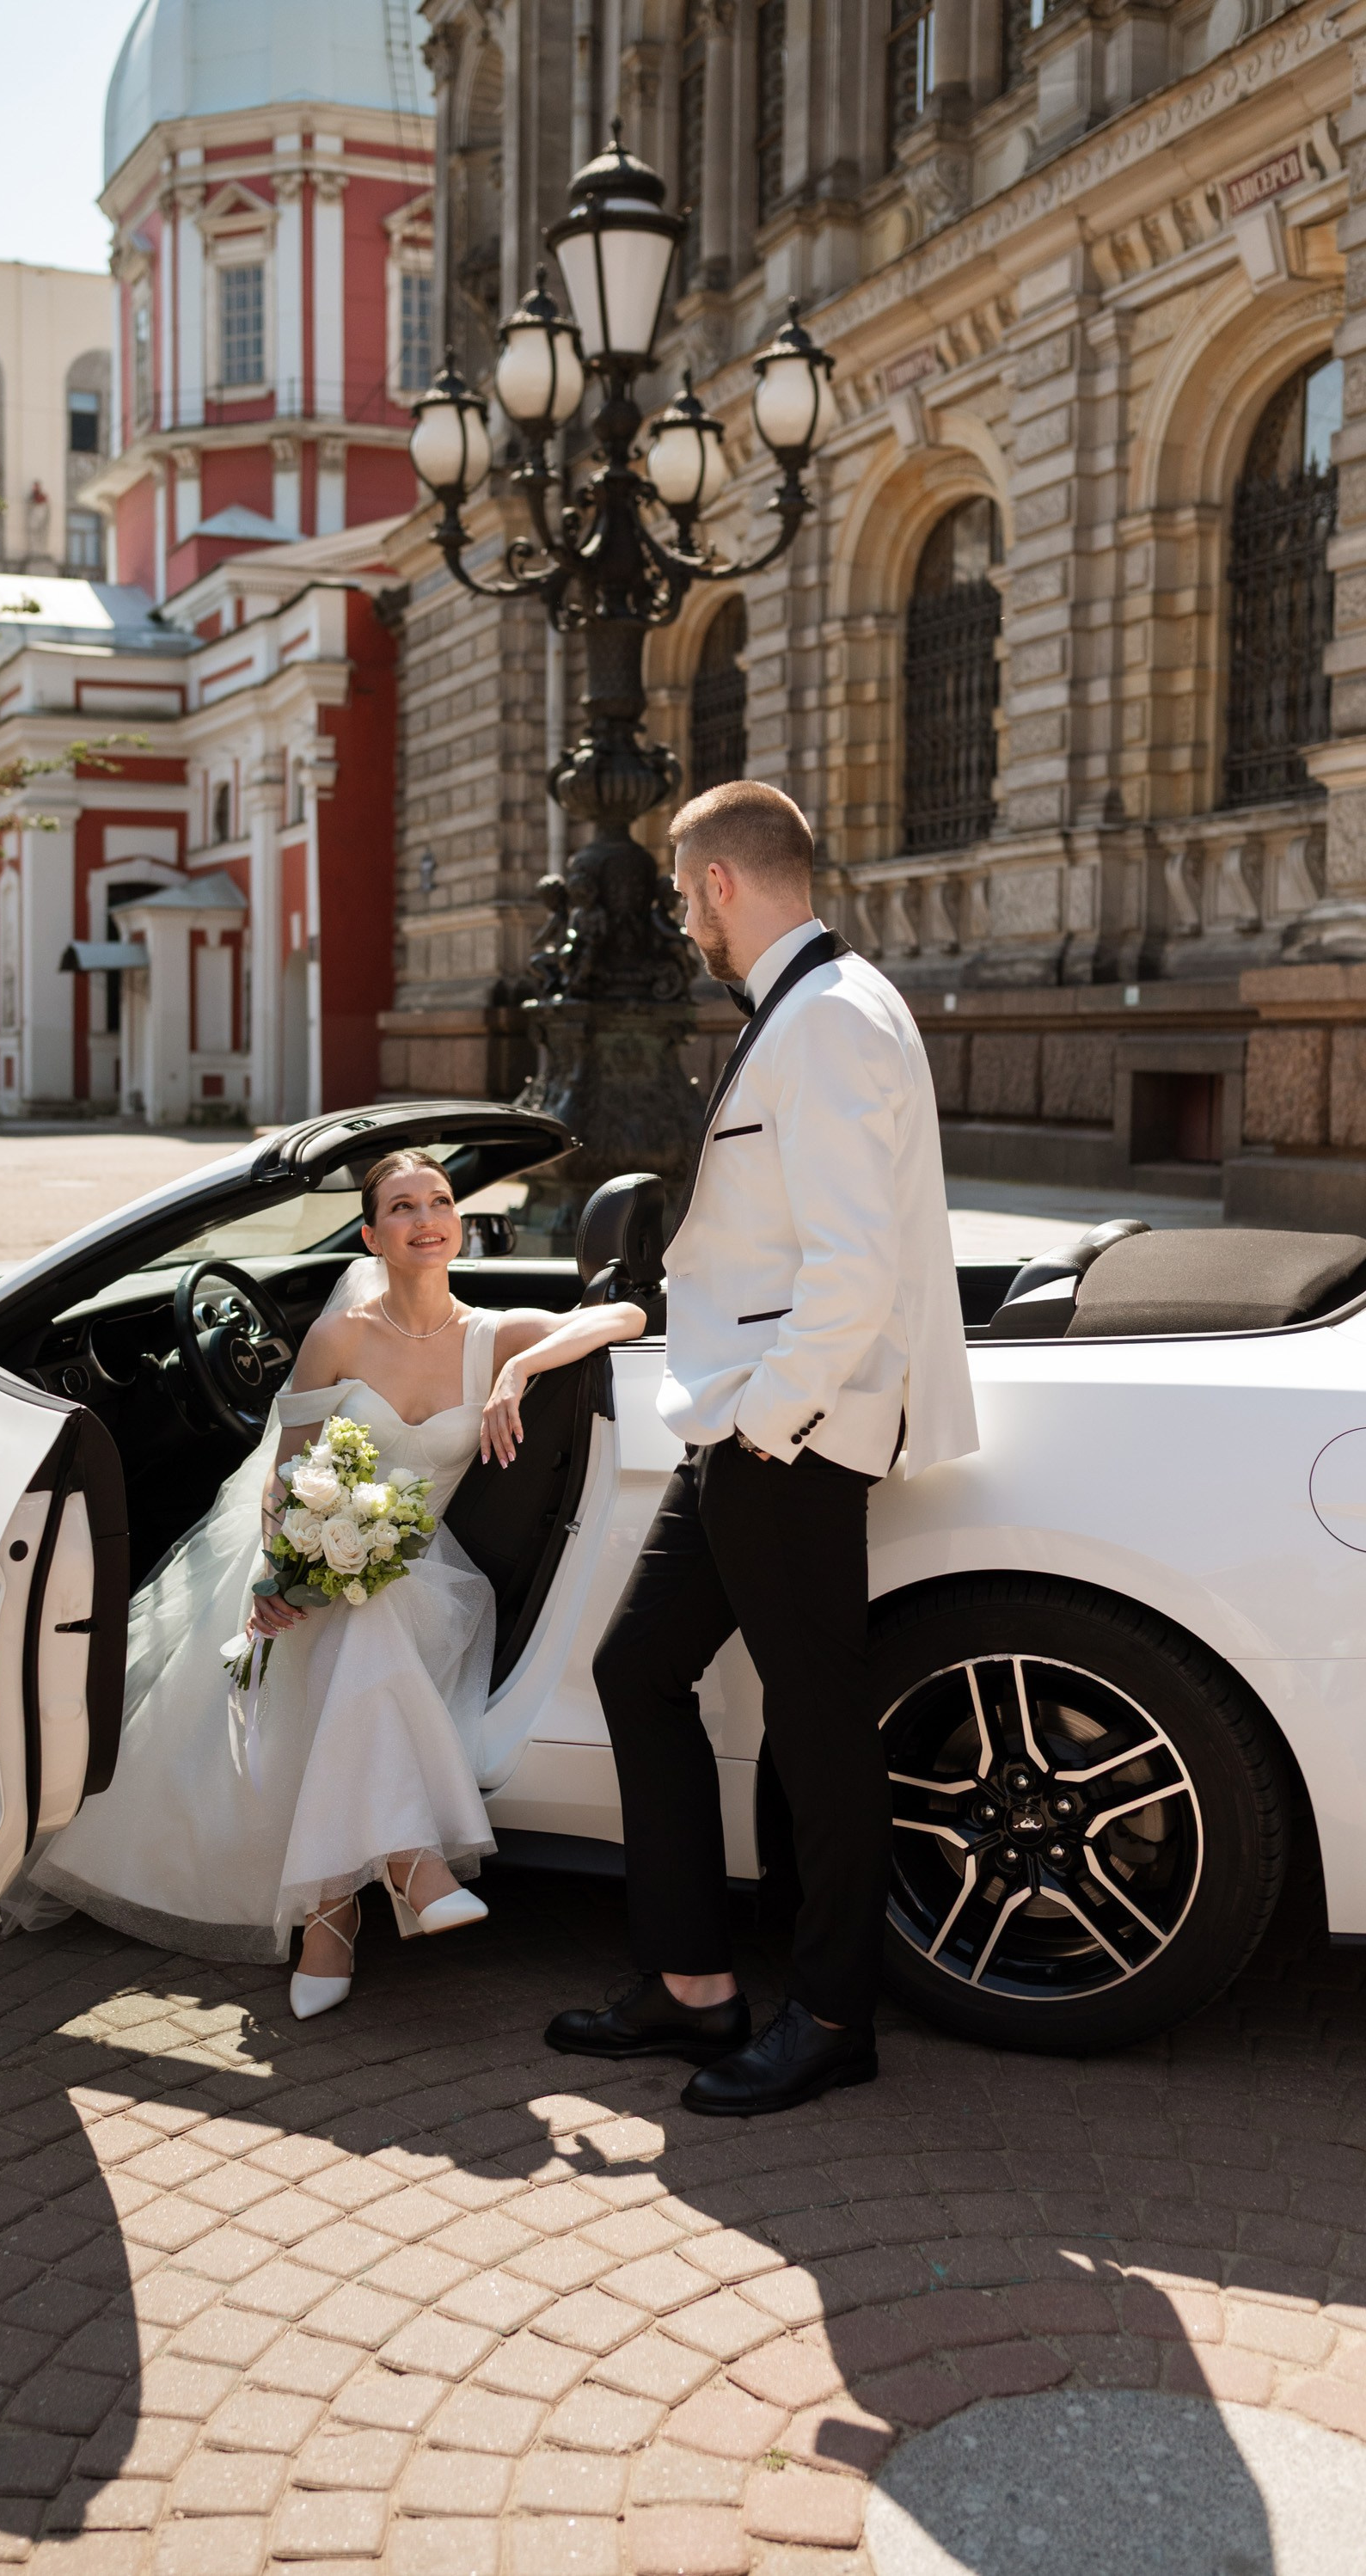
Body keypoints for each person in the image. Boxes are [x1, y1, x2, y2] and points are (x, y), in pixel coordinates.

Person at [546, 778, 978, 2117]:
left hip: (786, 1430)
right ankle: (692, 1988)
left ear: (722, 883)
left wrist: (763, 1423)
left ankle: (834, 2015)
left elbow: (856, 1269)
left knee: (817, 1722)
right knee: (639, 1669)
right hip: (749, 1424)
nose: (682, 920)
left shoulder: (834, 1019)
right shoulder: (807, 1009)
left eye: (683, 894)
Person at [26, 1148, 646, 2019]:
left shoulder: (491, 1335)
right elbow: (281, 1478)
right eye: (400, 1206)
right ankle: (401, 1868)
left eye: (439, 1200)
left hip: (428, 1580)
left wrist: (516, 1369)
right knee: (351, 1619)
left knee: (370, 1613)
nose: (426, 1217)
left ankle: (334, 1917)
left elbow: (623, 1310)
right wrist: (283, 1572)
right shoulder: (339, 1336)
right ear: (370, 1234)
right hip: (312, 1560)